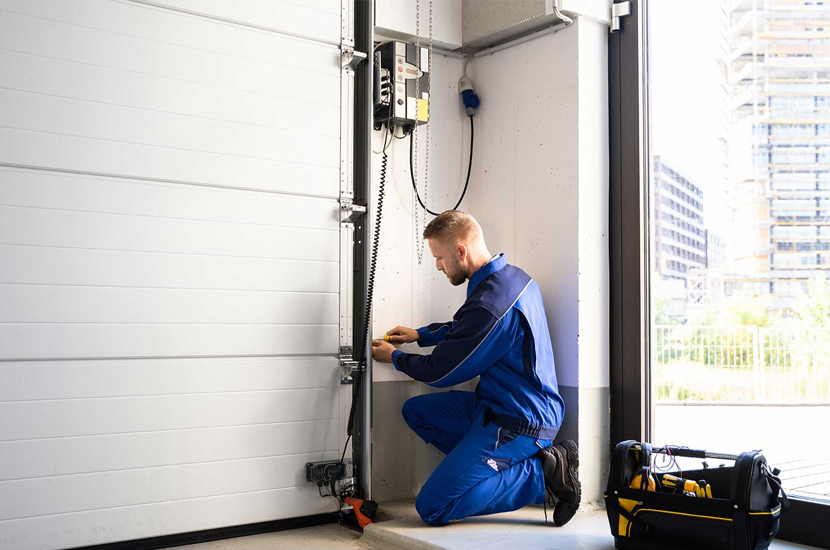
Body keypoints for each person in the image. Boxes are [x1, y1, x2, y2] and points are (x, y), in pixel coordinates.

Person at [371, 210, 581, 527]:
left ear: (460, 251)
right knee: (416, 411)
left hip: (521, 422)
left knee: (433, 507)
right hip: (493, 406)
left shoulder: (492, 303)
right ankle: (489, 471)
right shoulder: (512, 279)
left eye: (439, 257)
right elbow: (469, 330)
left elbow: (440, 372)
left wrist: (396, 358)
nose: (439, 266)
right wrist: (420, 335)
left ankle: (542, 475)